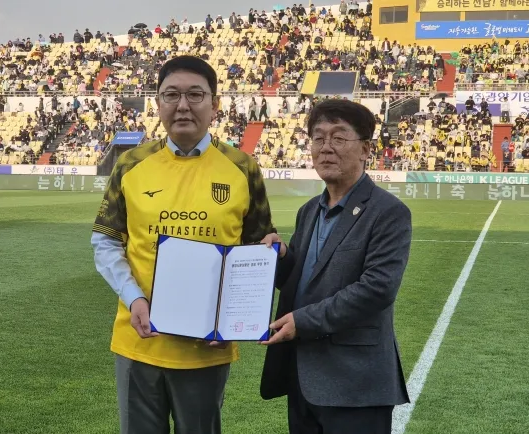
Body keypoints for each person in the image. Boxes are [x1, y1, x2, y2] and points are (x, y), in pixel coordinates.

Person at [91, 55, 274, 434]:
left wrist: (231, 320)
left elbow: (257, 250)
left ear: (215, 103)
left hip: (206, 349)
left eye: (195, 94)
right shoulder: (130, 164)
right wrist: (134, 298)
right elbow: (106, 241)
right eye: (171, 95)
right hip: (138, 341)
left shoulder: (243, 168)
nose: (183, 105)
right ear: (158, 103)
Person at [259, 99, 412, 434]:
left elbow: (377, 288)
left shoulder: (388, 212)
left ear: (365, 150)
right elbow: (301, 280)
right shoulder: (309, 211)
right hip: (302, 378)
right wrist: (281, 258)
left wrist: (302, 321)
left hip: (355, 384)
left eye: (339, 138)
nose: (326, 148)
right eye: (318, 138)